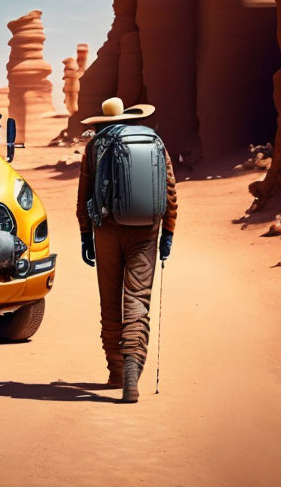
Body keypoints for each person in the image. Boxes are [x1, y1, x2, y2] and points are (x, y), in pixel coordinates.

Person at [76, 97, 177, 403]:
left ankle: (116, 371)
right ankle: (132, 369)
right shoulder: (154, 141)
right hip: (146, 231)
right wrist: (168, 233)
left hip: (106, 229)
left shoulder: (95, 146)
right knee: (137, 298)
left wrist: (85, 235)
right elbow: (170, 190)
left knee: (110, 301)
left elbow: (84, 196)